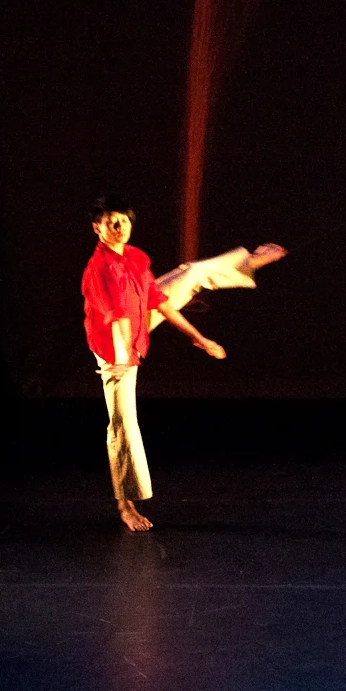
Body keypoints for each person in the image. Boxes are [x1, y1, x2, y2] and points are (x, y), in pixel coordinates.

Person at [80, 199, 286, 530]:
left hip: (138, 320)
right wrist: (123, 358)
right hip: (113, 346)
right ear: (97, 228)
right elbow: (117, 318)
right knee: (123, 424)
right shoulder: (99, 269)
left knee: (190, 272)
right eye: (110, 222)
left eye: (123, 221)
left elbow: (160, 303)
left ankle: (251, 261)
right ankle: (126, 505)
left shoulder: (134, 257)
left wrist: (198, 338)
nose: (119, 227)